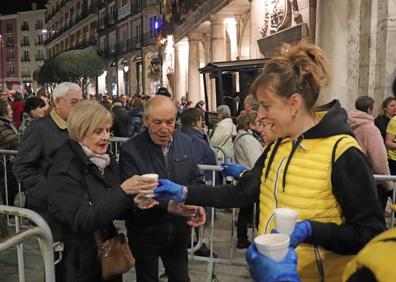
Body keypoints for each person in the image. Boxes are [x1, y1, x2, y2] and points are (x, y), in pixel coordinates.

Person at [154, 42, 386, 281]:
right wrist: (183, 192)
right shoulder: (277, 146)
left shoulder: (343, 151)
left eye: (266, 106)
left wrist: (311, 230)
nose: (260, 115)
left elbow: (370, 233)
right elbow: (241, 194)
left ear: (294, 103)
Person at [47, 101, 159, 282]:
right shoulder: (63, 166)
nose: (106, 137)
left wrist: (135, 202)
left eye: (108, 130)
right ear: (80, 132)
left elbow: (111, 203)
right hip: (76, 259)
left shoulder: (105, 159)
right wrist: (123, 191)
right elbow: (83, 219)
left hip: (105, 253)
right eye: (98, 131)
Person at [119, 95, 206, 282]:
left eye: (170, 122)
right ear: (145, 121)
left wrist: (198, 202)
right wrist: (168, 205)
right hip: (145, 232)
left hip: (178, 232)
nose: (164, 129)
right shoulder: (130, 150)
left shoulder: (185, 142)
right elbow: (130, 195)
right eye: (157, 122)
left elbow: (196, 178)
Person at [13, 82, 83, 217]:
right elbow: (22, 167)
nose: (79, 107)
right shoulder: (38, 129)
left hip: (74, 207)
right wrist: (51, 192)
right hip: (48, 211)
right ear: (57, 102)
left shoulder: (77, 126)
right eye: (74, 102)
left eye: (81, 102)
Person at [348, 96, 392, 210]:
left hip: (350, 179)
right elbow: (379, 160)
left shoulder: (347, 123)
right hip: (369, 183)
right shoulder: (370, 129)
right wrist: (388, 184)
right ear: (369, 110)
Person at [233, 110, 263, 249]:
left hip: (245, 177)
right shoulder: (248, 140)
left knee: (245, 211)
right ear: (250, 124)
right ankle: (249, 239)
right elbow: (256, 161)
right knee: (254, 213)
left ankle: (242, 238)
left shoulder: (242, 138)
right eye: (258, 123)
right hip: (251, 179)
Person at [0, 99, 19, 205]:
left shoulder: (8, 123)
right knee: (7, 192)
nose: (12, 112)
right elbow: (13, 141)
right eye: (9, 110)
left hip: (8, 163)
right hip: (5, 165)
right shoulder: (2, 125)